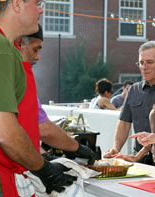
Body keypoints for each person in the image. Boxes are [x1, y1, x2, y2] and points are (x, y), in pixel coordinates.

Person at [0, 1, 76, 196]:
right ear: (17, 4)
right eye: (37, 3)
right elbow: (4, 132)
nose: (41, 9)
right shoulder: (1, 48)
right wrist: (45, 169)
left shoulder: (8, 47)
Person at [16, 24, 97, 163]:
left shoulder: (19, 74)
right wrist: (77, 148)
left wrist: (45, 158)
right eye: (35, 49)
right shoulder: (16, 77)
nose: (38, 57)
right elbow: (43, 130)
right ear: (19, 43)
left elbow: (29, 135)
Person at [104, 41, 155, 164]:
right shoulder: (134, 89)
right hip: (138, 159)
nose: (144, 67)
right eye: (141, 63)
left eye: (149, 62)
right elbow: (124, 123)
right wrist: (115, 149)